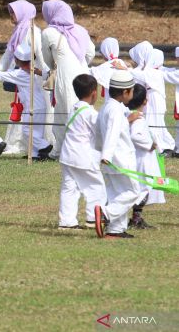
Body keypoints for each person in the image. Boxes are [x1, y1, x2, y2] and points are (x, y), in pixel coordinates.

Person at [41, 0, 95, 159]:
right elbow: (91, 53)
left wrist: (57, 65)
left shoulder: (48, 32)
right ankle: (84, 147)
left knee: (64, 111)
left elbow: (47, 58)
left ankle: (64, 150)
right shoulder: (80, 30)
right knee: (84, 109)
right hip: (84, 72)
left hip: (65, 75)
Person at [0, 0, 49, 156]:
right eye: (10, 12)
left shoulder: (34, 32)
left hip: (32, 78)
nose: (11, 16)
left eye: (14, 12)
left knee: (29, 111)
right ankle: (21, 144)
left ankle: (28, 144)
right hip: (20, 75)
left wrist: (44, 73)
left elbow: (40, 55)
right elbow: (8, 55)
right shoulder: (18, 31)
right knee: (20, 108)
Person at [95, 71, 143, 239]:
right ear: (125, 92)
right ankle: (106, 214)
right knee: (133, 192)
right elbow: (112, 133)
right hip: (119, 159)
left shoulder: (106, 107)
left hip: (109, 160)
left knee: (117, 193)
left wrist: (100, 151)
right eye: (131, 90)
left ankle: (115, 230)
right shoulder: (115, 110)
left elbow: (98, 132)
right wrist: (106, 154)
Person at [57, 74, 106, 230]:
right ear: (94, 92)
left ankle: (66, 221)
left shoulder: (75, 108)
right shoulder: (90, 113)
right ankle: (93, 218)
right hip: (83, 156)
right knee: (96, 186)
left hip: (67, 155)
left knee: (69, 188)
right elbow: (102, 131)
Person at [0, 44, 52, 159]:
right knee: (37, 131)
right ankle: (36, 154)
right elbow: (46, 73)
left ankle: (45, 146)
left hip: (33, 106)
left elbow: (2, 76)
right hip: (40, 104)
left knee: (27, 130)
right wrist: (38, 71)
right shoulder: (33, 70)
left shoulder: (20, 74)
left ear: (17, 60)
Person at [126, 84, 162, 229]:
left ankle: (136, 218)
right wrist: (150, 144)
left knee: (142, 189)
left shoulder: (131, 115)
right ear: (145, 101)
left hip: (139, 158)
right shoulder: (138, 119)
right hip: (143, 159)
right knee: (144, 190)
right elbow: (135, 135)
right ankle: (135, 218)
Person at [129, 43, 174, 153]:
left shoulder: (154, 73)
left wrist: (126, 69)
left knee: (154, 122)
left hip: (155, 100)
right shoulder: (149, 71)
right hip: (152, 99)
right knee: (156, 123)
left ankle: (160, 146)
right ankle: (164, 145)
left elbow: (139, 75)